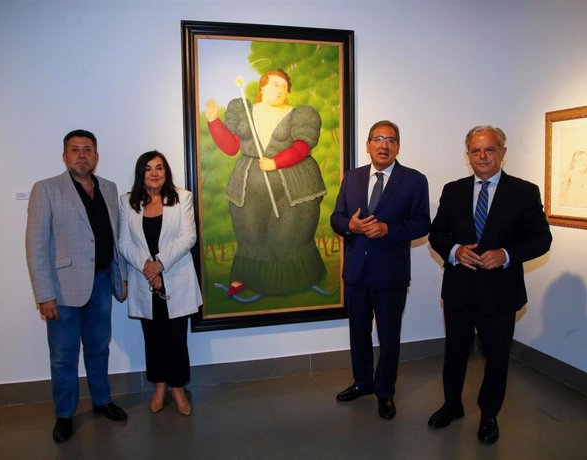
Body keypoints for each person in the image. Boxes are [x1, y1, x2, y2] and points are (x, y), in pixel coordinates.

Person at [427, 125, 552, 444]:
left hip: (501, 292)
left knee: (496, 358)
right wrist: (455, 251)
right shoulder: (453, 189)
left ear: (502, 153)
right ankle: (452, 405)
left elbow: (542, 239)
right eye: (475, 151)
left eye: (489, 149)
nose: (482, 156)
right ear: (467, 155)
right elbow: (437, 234)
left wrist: (507, 254)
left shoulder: (525, 191)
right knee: (454, 352)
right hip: (458, 289)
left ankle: (489, 416)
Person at [26, 129, 128, 443]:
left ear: (96, 156)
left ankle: (102, 401)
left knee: (99, 348)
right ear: (65, 156)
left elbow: (115, 235)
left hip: (100, 283)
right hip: (63, 289)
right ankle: (65, 415)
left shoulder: (109, 188)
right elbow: (36, 246)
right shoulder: (46, 190)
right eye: (75, 149)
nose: (81, 154)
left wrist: (120, 274)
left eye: (87, 149)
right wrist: (45, 295)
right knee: (63, 356)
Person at [330, 120, 430, 420]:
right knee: (358, 333)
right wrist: (351, 225)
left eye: (390, 139)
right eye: (378, 139)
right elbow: (336, 218)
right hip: (356, 274)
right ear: (368, 145)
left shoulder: (414, 180)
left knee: (388, 336)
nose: (384, 145)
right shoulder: (352, 178)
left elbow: (422, 223)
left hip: (391, 276)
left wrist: (388, 229)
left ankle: (385, 392)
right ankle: (362, 382)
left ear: (398, 146)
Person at [205, 68, 327, 297]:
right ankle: (247, 278)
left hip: (295, 186)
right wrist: (213, 121)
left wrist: (276, 162)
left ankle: (292, 282)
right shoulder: (246, 111)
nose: (279, 89)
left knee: (288, 236)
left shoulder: (299, 114)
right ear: (262, 87)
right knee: (250, 233)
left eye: (283, 86)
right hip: (248, 187)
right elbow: (231, 147)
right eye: (274, 84)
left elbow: (302, 147)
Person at [118, 150, 202, 416]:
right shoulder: (127, 202)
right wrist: (147, 267)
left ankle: (178, 389)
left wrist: (159, 265)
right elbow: (124, 242)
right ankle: (159, 386)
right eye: (148, 168)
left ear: (166, 172)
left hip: (175, 278)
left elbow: (188, 237)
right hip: (146, 281)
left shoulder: (182, 198)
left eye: (159, 168)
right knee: (153, 338)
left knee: (176, 338)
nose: (154, 173)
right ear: (140, 173)